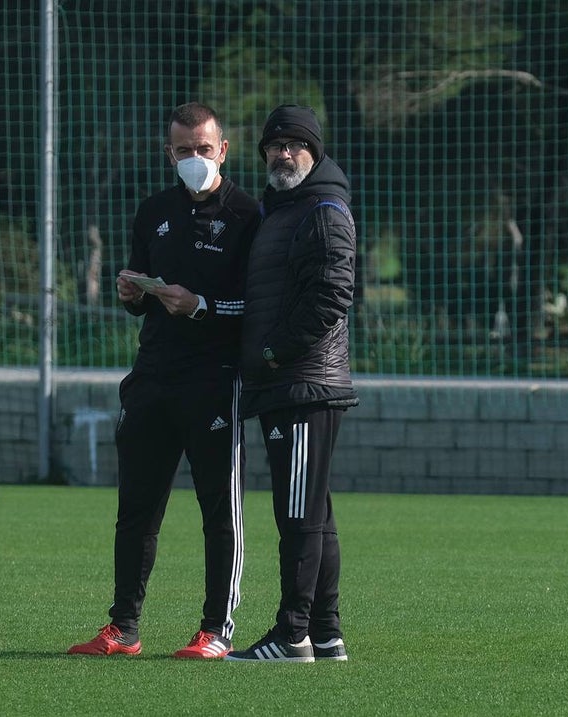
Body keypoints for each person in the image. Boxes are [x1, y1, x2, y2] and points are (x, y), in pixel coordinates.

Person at [67, 102, 260, 659]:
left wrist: (201, 305)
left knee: (219, 512)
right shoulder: (153, 211)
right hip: (152, 375)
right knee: (136, 510)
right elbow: (139, 297)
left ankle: (215, 630)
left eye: (204, 148)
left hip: (214, 380)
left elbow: (257, 307)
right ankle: (123, 627)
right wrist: (131, 294)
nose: (195, 158)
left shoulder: (249, 215)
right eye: (183, 150)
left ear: (224, 150)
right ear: (168, 154)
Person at [225, 105, 358, 663]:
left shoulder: (324, 209)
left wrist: (275, 351)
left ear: (314, 151)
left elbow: (333, 295)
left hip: (304, 383)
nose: (283, 154)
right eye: (274, 145)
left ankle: (291, 633)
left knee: (298, 514)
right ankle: (325, 634)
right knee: (314, 514)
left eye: (294, 144)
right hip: (285, 384)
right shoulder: (280, 209)